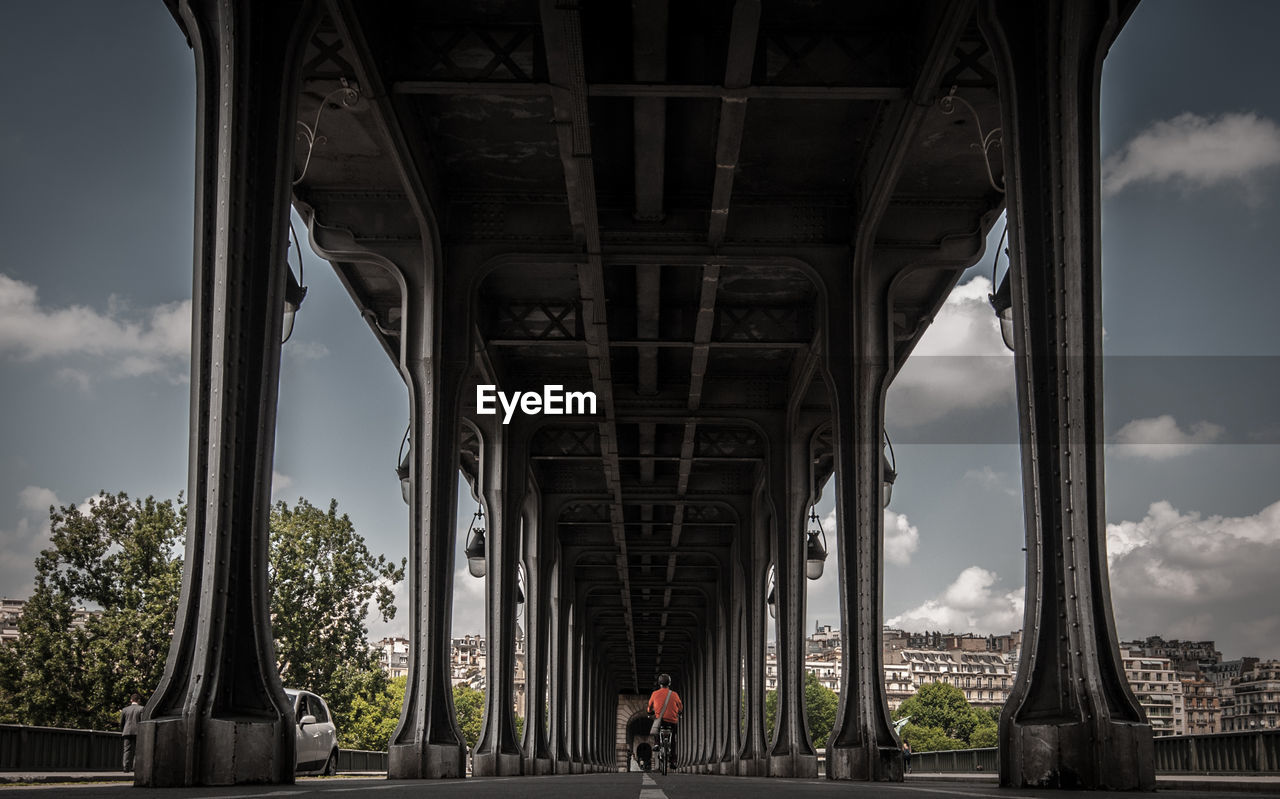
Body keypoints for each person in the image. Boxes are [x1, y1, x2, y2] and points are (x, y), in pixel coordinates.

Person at [646, 673, 683, 767]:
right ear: (669, 683)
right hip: (672, 721)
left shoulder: (655, 694)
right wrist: (680, 713)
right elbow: (680, 706)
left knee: (656, 727)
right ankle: (673, 760)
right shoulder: (674, 694)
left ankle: (657, 743)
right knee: (673, 739)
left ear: (659, 683)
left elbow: (649, 706)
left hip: (660, 719)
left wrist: (650, 713)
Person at [120, 693, 144, 772]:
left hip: (127, 731)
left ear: (131, 700)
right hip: (138, 732)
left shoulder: (125, 709)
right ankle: (135, 767)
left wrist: (123, 730)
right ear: (139, 700)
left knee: (127, 750)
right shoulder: (141, 709)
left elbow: (122, 722)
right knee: (137, 750)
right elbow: (142, 721)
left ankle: (126, 767)